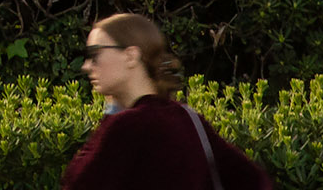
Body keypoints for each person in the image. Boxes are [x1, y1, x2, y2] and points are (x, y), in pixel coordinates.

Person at [61, 13, 272, 190]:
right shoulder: (188, 118)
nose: (87, 66)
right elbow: (253, 180)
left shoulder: (126, 126)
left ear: (130, 56)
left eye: (95, 54)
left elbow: (79, 182)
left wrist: (111, 111)